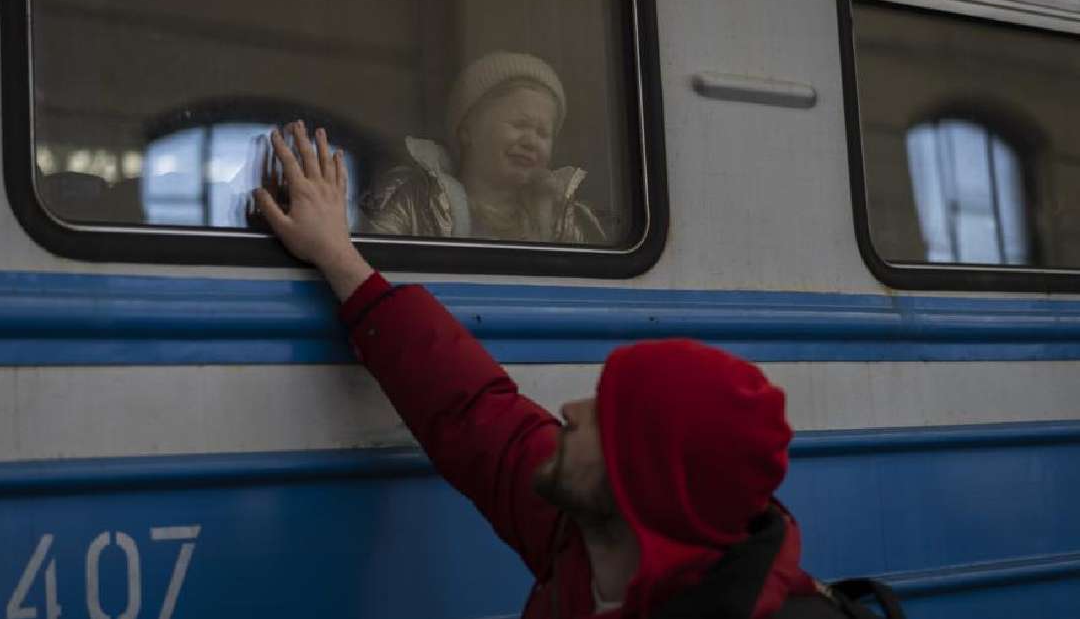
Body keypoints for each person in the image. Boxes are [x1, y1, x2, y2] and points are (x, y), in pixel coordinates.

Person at [253, 122, 862, 619]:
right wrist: (338, 255)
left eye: (607, 417)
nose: (569, 411)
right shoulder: (591, 540)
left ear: (644, 481)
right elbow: (472, 409)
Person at [360, 52, 608, 244]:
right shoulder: (417, 201)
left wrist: (545, 217)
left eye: (543, 133)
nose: (531, 141)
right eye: (519, 124)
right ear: (467, 130)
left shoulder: (562, 218)